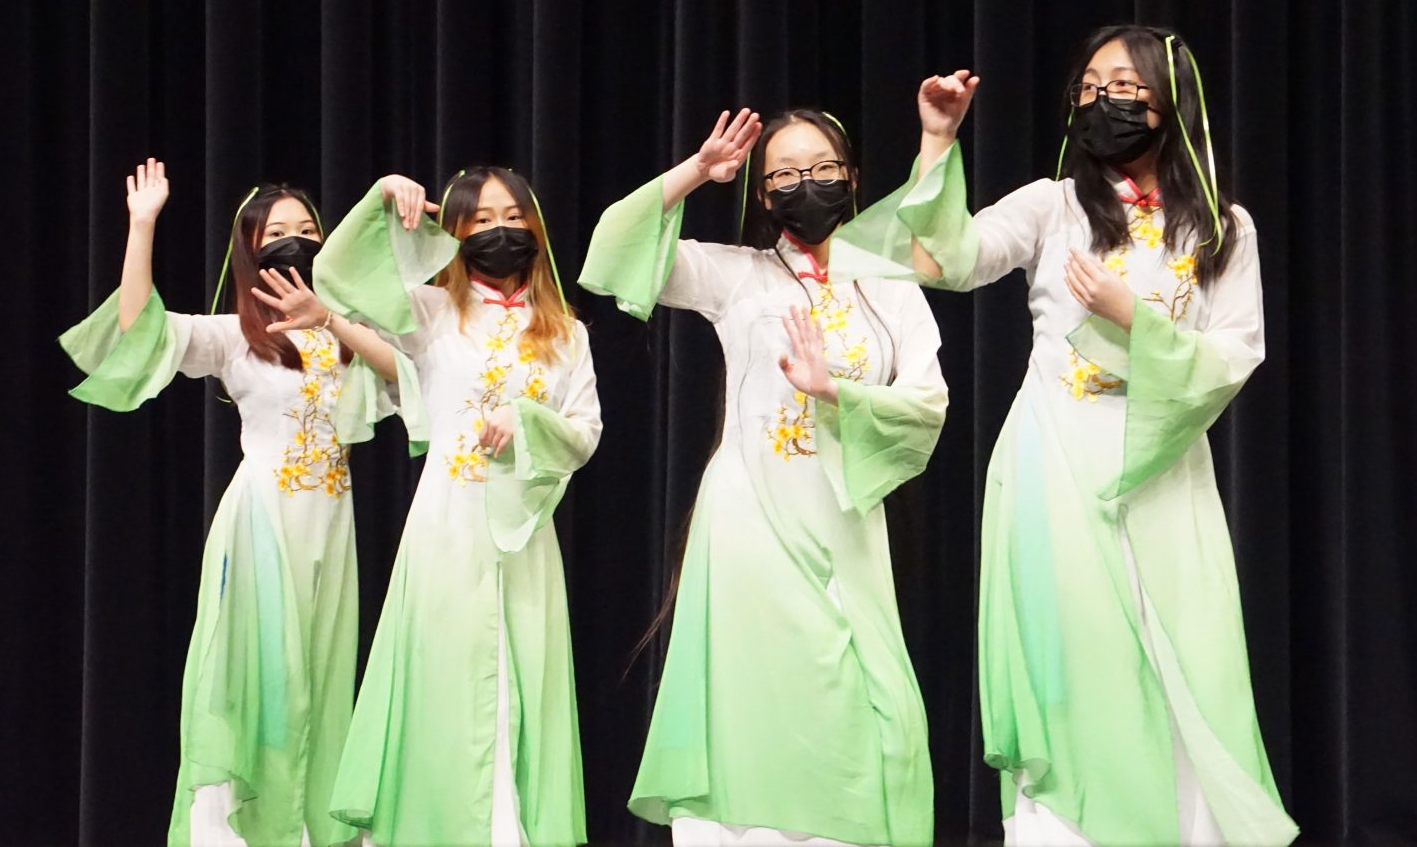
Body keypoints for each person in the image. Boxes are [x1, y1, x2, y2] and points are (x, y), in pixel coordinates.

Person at [835, 25, 1298, 845]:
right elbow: (950, 259)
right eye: (1088, 87)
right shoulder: (1053, 205)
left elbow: (1234, 356)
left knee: (1179, 654)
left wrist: (1134, 322)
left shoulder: (1223, 228)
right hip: (1053, 458)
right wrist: (938, 140)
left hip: (1162, 470)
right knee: (1071, 657)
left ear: (1169, 101)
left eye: (1122, 85)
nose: (1100, 100)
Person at [580, 108, 948, 847]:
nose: (805, 184)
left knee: (873, 712)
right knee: (749, 702)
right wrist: (695, 172)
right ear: (761, 193)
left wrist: (836, 392)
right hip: (749, 522)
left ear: (851, 176)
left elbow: (928, 403)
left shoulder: (888, 284)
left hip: (846, 525)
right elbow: (611, 252)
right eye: (783, 174)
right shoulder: (736, 276)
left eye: (822, 168)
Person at [60, 159, 410, 847]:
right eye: (276, 233)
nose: (294, 240)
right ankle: (237, 829)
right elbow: (138, 329)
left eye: (307, 229)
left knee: (321, 674)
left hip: (331, 526)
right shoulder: (234, 335)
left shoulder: (349, 332)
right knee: (261, 678)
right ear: (249, 250)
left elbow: (409, 377)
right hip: (262, 523)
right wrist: (142, 224)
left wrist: (336, 313)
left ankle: (309, 826)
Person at [315, 168, 600, 847]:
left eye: (514, 216)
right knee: (442, 681)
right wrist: (381, 195)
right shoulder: (429, 312)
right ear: (456, 233)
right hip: (446, 524)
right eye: (481, 220)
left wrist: (526, 420)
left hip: (525, 538)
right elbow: (335, 275)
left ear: (536, 228)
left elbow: (585, 432)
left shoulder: (567, 332)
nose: (500, 230)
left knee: (520, 684)